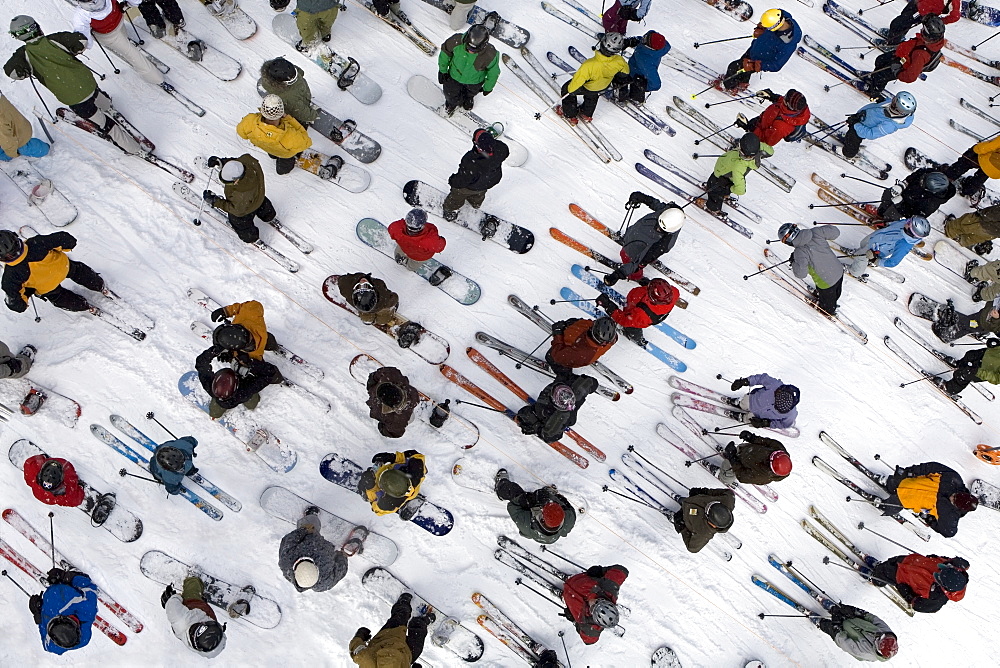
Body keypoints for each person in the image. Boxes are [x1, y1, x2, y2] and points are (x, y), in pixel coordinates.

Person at [4, 16, 142, 155]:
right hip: (87, 82)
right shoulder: (55, 39)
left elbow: (12, 72)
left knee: (104, 124)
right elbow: (81, 41)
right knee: (94, 93)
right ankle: (107, 105)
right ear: (37, 27)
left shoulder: (23, 56)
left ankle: (133, 149)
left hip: (74, 99)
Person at [0, 230, 108, 315]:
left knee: (60, 298)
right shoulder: (36, 243)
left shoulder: (10, 276)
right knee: (80, 271)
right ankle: (99, 286)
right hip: (64, 267)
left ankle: (84, 306)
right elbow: (68, 240)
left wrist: (26, 296)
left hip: (47, 287)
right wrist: (66, 247)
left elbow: (16, 304)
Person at [195, 326, 282, 418]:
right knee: (252, 404)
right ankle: (251, 404)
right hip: (245, 393)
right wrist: (251, 363)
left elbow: (201, 363)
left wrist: (215, 350)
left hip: (225, 397)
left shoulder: (209, 386)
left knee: (215, 412)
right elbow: (270, 373)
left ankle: (215, 414)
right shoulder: (244, 391)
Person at [72, 0, 165, 85]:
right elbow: (135, 1)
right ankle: (125, 39)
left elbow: (86, 41)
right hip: (118, 20)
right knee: (123, 35)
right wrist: (128, 4)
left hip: (109, 36)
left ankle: (156, 79)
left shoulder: (81, 15)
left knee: (133, 55)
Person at [604, 192, 685, 285]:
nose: (657, 227)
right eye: (659, 223)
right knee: (629, 249)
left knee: (625, 255)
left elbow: (636, 264)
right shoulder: (670, 213)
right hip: (634, 235)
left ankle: (636, 277)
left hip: (636, 250)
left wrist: (619, 273)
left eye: (661, 229)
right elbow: (657, 205)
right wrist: (643, 198)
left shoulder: (662, 245)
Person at [881, 461, 979, 537]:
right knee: (894, 483)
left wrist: (930, 520)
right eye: (955, 495)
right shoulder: (952, 479)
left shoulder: (950, 515)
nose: (951, 497)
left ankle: (880, 505)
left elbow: (949, 532)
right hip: (908, 482)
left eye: (953, 501)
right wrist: (910, 472)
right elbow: (932, 467)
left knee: (889, 507)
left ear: (958, 507)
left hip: (905, 500)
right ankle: (887, 483)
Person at [720, 8, 801, 92]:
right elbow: (772, 15)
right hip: (755, 48)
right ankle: (743, 82)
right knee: (744, 65)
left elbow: (777, 65)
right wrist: (762, 27)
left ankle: (727, 85)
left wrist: (757, 65)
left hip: (759, 59)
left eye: (768, 27)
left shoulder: (788, 44)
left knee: (733, 67)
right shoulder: (781, 15)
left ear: (775, 26)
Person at [865, 15, 945, 100]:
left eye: (924, 31)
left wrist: (897, 72)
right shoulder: (932, 41)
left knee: (881, 76)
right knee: (880, 60)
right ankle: (874, 77)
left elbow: (911, 76)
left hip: (901, 65)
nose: (921, 30)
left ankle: (874, 91)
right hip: (900, 55)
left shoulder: (921, 55)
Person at [557, 33, 629, 125]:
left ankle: (570, 114)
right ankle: (587, 114)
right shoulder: (619, 60)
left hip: (589, 86)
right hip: (603, 85)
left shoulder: (589, 65)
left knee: (566, 88)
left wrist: (571, 91)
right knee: (593, 94)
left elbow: (577, 82)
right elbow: (625, 72)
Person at [202, 154, 276, 244]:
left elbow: (236, 210)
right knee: (262, 204)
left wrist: (215, 201)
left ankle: (251, 238)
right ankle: (268, 215)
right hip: (258, 196)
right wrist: (221, 162)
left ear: (236, 181)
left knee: (239, 222)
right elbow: (236, 164)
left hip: (246, 208)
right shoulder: (247, 160)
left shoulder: (241, 194)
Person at [350, 592, 434, 666]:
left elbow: (358, 653)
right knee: (418, 637)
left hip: (386, 640)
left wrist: (359, 637)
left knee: (400, 618)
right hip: (406, 653)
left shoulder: (368, 663)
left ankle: (403, 603)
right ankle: (420, 621)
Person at [278, 506, 350, 593]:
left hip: (310, 535)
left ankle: (310, 515)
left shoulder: (286, 560)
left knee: (312, 520)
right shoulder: (324, 583)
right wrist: (342, 557)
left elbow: (289, 539)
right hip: (328, 549)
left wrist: (303, 530)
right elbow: (340, 571)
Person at [493, 469, 576, 544]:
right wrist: (552, 497)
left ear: (543, 518)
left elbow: (512, 507)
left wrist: (523, 499)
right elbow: (567, 505)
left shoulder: (525, 522)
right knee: (554, 498)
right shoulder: (569, 519)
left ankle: (500, 487)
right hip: (548, 535)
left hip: (530, 531)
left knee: (514, 491)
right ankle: (548, 493)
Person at [443, 128, 509, 222]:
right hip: (489, 181)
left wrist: (453, 180)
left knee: (458, 194)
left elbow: (462, 181)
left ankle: (451, 210)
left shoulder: (471, 161)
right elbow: (505, 152)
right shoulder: (500, 148)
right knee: (479, 194)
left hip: (470, 187)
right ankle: (474, 204)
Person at [236, 95, 312, 175]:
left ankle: (273, 156)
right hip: (285, 155)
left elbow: (242, 134)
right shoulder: (290, 136)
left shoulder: (249, 121)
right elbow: (306, 142)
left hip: (268, 148)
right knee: (283, 169)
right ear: (281, 112)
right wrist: (288, 118)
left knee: (272, 153)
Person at [780, 222, 845, 316]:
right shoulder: (815, 232)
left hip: (826, 282)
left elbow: (800, 274)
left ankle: (828, 311)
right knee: (836, 291)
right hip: (838, 270)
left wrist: (794, 262)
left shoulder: (799, 252)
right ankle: (830, 298)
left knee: (827, 304)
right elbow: (836, 232)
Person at [29, 568, 98, 655]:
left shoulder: (53, 646)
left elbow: (46, 645)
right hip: (66, 587)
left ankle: (55, 587)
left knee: (51, 611)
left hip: (49, 602)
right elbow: (90, 587)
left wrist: (37, 615)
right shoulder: (86, 610)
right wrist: (67, 577)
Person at [515, 372, 599, 443]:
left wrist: (535, 425)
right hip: (553, 404)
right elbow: (591, 382)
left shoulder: (558, 415)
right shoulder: (575, 389)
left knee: (528, 415)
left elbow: (548, 436)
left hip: (557, 416)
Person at [870, 553, 968, 613]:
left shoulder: (937, 598)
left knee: (882, 573)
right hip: (910, 560)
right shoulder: (954, 567)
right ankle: (881, 567)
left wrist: (907, 594)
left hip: (900, 576)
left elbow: (919, 605)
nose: (938, 572)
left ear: (944, 587)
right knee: (891, 562)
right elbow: (949, 560)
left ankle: (874, 578)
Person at [705, 133, 774, 214]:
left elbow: (740, 190)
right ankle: (725, 194)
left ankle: (713, 208)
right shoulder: (758, 149)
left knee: (713, 190)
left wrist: (729, 188)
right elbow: (770, 151)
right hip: (729, 174)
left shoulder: (738, 167)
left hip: (721, 177)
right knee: (724, 185)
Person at [597, 278, 680, 344]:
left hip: (636, 312)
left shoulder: (641, 314)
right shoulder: (673, 292)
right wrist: (649, 284)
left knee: (632, 327)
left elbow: (623, 319)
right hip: (642, 308)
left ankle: (636, 338)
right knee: (634, 321)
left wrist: (609, 306)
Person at [438, 25, 500, 114]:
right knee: (450, 93)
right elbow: (445, 54)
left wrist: (488, 87)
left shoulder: (490, 54)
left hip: (474, 82)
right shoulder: (456, 41)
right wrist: (442, 70)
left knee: (470, 93)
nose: (471, 51)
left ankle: (468, 99)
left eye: (475, 50)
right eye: (469, 48)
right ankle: (451, 104)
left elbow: (493, 73)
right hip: (454, 77)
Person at [561, 564, 628, 644]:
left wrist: (574, 620)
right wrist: (601, 570)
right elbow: (622, 571)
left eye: (593, 608)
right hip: (578, 579)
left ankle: (562, 595)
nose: (592, 602)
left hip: (568, 598)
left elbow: (589, 641)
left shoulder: (589, 624)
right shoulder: (608, 589)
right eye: (597, 601)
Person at [844, 216, 931, 278]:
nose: (907, 221)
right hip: (876, 237)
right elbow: (895, 224)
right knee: (863, 243)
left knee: (861, 257)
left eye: (909, 223)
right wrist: (885, 223)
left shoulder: (904, 244)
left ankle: (854, 272)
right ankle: (857, 254)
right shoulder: (905, 224)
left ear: (910, 231)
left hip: (875, 250)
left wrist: (876, 260)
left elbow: (893, 262)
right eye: (910, 220)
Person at [161, 576, 227, 657]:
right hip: (202, 608)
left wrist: (175, 596)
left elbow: (172, 602)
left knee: (193, 582)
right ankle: (201, 597)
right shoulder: (215, 647)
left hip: (191, 604)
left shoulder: (180, 617)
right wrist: (219, 628)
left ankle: (192, 578)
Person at [841, 92, 916, 159]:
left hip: (861, 130)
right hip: (862, 118)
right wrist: (882, 100)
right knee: (851, 133)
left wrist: (855, 124)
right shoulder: (893, 107)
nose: (891, 102)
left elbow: (871, 134)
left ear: (899, 111)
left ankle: (848, 154)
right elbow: (887, 104)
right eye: (893, 99)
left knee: (852, 138)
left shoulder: (890, 125)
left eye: (893, 103)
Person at [357, 450, 427, 517]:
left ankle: (404, 505)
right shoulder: (415, 470)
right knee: (412, 462)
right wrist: (393, 457)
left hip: (397, 497)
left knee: (365, 488)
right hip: (407, 474)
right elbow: (416, 455)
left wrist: (370, 487)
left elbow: (377, 510)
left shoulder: (388, 502)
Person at [817, 603, 898, 662]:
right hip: (855, 623)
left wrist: (836, 627)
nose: (880, 635)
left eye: (880, 639)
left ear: (878, 647)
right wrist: (854, 611)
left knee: (831, 629)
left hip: (850, 637)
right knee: (845, 614)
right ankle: (835, 610)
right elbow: (873, 618)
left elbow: (844, 643)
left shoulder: (865, 652)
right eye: (883, 636)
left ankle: (820, 622)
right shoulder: (886, 633)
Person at [546, 317, 618, 377]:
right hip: (577, 339)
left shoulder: (582, 351)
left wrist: (558, 334)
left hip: (573, 351)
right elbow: (589, 323)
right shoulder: (610, 339)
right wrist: (576, 322)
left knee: (551, 357)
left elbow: (558, 355)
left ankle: (565, 375)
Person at [209, 299, 278, 361]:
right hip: (254, 351)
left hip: (264, 338)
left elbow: (254, 305)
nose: (251, 341)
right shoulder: (249, 314)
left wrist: (226, 311)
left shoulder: (250, 314)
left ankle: (274, 347)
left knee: (270, 342)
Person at [259, 57, 318, 128]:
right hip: (298, 102)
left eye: (295, 74)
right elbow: (304, 114)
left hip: (298, 92)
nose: (295, 78)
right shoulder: (290, 98)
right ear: (282, 82)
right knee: (297, 113)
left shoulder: (281, 68)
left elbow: (299, 72)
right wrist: (313, 115)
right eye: (292, 80)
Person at [737, 88, 810, 145]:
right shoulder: (795, 108)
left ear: (788, 105)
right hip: (764, 120)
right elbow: (782, 101)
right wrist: (772, 96)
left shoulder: (781, 127)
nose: (783, 97)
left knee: (751, 141)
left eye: (785, 98)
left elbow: (767, 140)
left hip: (761, 130)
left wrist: (749, 127)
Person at [673, 487, 735, 553]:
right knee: (689, 502)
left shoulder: (704, 533)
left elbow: (692, 548)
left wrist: (682, 528)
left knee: (679, 516)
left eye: (708, 508)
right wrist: (705, 492)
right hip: (695, 500)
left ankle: (682, 508)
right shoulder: (727, 501)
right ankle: (686, 502)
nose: (707, 505)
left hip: (685, 515)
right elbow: (730, 493)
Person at [877, 169, 954, 222]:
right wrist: (903, 184)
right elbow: (918, 173)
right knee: (888, 194)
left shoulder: (931, 204)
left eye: (923, 184)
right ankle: (880, 212)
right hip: (904, 191)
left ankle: (886, 221)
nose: (921, 180)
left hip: (904, 207)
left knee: (893, 212)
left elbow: (914, 215)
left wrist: (900, 204)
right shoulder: (932, 174)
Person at [729, 373, 800, 430]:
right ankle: (740, 404)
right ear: (778, 393)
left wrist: (765, 423)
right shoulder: (775, 385)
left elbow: (783, 424)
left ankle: (743, 418)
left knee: (750, 420)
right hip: (752, 400)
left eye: (778, 409)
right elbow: (761, 378)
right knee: (744, 403)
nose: (774, 407)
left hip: (759, 417)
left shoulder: (791, 415)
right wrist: (745, 381)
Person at [719, 430, 792, 485]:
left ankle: (724, 478)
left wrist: (732, 457)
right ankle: (735, 452)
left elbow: (741, 475)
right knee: (741, 449)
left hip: (741, 463)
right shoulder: (780, 452)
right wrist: (752, 438)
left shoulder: (761, 476)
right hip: (748, 450)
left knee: (728, 466)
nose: (772, 454)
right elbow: (768, 442)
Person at [387, 209, 447, 275]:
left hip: (403, 247)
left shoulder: (396, 228)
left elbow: (391, 230)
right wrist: (440, 239)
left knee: (399, 253)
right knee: (411, 267)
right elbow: (439, 247)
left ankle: (399, 257)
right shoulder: (431, 240)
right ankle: (409, 267)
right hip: (419, 257)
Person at [365, 366, 419, 438]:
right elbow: (395, 433)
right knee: (410, 418)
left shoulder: (395, 420)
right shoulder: (413, 395)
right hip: (378, 393)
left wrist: (373, 378)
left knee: (409, 418)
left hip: (375, 392)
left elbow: (395, 433)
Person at [943, 135, 1000, 202]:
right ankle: (968, 190)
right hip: (996, 172)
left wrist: (975, 148)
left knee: (966, 161)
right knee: (981, 176)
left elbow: (989, 146)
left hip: (987, 161)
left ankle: (950, 175)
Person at [620, 31, 669, 103]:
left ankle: (634, 98)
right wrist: (634, 41)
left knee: (630, 82)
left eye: (645, 40)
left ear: (650, 48)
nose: (644, 38)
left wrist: (644, 86)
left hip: (636, 73)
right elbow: (645, 40)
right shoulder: (655, 41)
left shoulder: (646, 62)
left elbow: (656, 84)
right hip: (637, 64)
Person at [884, 0, 960, 45]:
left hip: (922, 12)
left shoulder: (954, 1)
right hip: (917, 3)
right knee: (903, 17)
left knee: (898, 23)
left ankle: (892, 44)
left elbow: (955, 16)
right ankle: (895, 35)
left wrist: (940, 21)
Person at [0, 92, 49, 161]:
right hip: (15, 125)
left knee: (24, 147)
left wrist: (12, 153)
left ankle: (45, 149)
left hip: (19, 136)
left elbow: (8, 141)